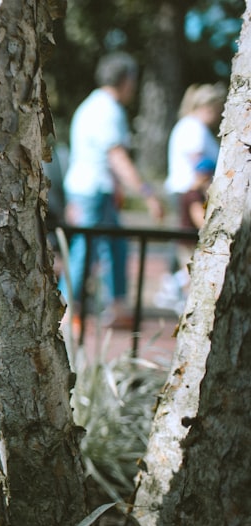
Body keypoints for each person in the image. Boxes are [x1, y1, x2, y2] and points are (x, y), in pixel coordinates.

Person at [61, 52, 164, 329]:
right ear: (126, 80)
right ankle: (70, 308)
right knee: (87, 248)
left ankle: (114, 305)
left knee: (113, 247)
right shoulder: (108, 110)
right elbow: (116, 156)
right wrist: (146, 192)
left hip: (91, 188)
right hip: (93, 189)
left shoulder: (92, 106)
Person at [155, 158, 215, 314]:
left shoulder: (188, 193)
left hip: (185, 240)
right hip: (189, 241)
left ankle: (175, 291)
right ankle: (172, 289)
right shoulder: (194, 196)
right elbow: (200, 219)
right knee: (191, 272)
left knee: (189, 271)